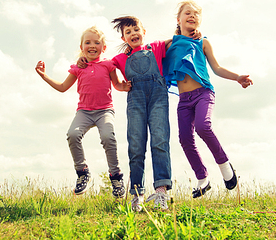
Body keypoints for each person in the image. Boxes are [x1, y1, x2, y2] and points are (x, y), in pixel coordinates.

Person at [163, 0, 253, 198]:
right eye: (188, 13)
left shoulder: (203, 42)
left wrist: (237, 77)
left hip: (203, 93)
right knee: (185, 138)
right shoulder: (170, 44)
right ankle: (202, 178)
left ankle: (224, 164)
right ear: (178, 19)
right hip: (184, 100)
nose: (192, 16)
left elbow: (217, 67)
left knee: (204, 127)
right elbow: (149, 50)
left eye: (196, 14)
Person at [35, 26, 131, 197]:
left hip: (104, 111)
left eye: (96, 42)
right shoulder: (78, 68)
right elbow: (63, 87)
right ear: (81, 48)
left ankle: (116, 176)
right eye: (87, 42)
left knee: (108, 137)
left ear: (104, 47)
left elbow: (116, 84)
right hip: (84, 112)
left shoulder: (108, 65)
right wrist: (44, 76)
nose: (92, 46)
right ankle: (82, 172)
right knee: (72, 134)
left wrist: (125, 86)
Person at [110, 16, 174, 211]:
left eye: (136, 29)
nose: (133, 34)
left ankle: (161, 192)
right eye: (128, 32)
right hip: (135, 101)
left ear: (143, 31)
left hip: (158, 98)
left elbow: (177, 40)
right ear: (124, 39)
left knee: (160, 141)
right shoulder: (120, 59)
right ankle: (137, 195)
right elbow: (104, 68)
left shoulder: (155, 48)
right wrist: (120, 86)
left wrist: (189, 33)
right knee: (136, 146)